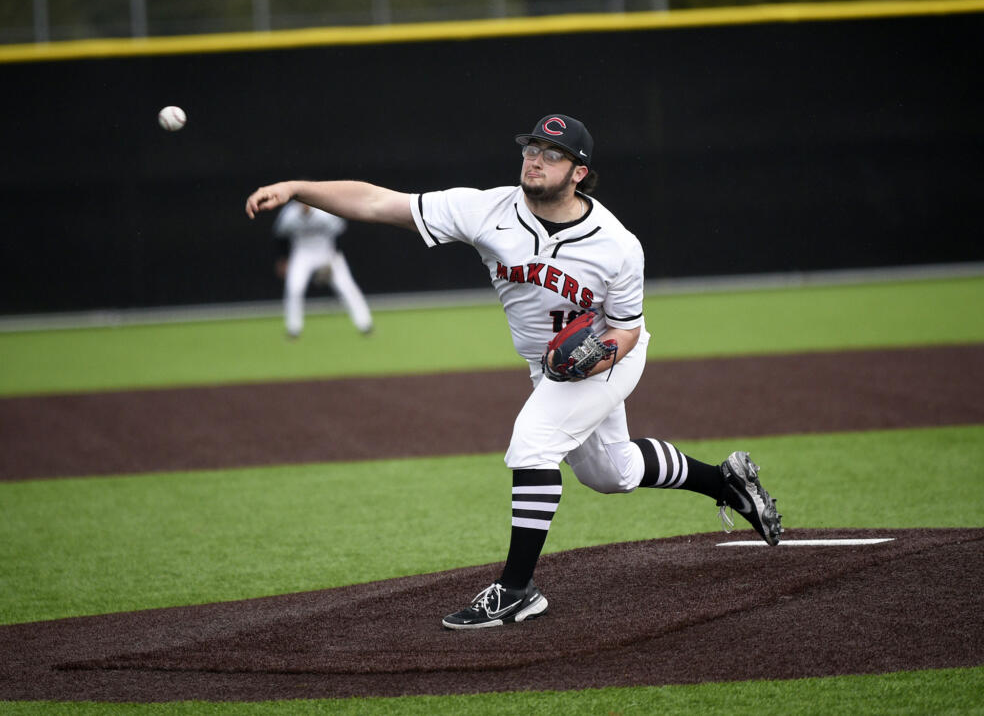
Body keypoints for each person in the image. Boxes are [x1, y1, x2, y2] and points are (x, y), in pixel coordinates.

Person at [246, 113, 783, 630]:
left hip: (607, 355)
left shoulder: (617, 246)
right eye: (531, 149)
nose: (535, 161)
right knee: (610, 474)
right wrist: (297, 186)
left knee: (532, 443)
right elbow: (377, 201)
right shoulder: (486, 210)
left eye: (553, 155)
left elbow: (626, 330)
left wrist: (592, 359)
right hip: (549, 364)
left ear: (579, 173)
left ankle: (518, 589)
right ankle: (728, 482)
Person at [273, 200, 373, 338]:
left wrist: (333, 258)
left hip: (326, 251)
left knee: (347, 287)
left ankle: (365, 324)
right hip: (302, 254)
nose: (304, 204)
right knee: (294, 288)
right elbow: (280, 236)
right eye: (300, 201)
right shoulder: (290, 213)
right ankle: (293, 329)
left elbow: (340, 233)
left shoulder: (323, 211)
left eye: (306, 200)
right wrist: (283, 259)